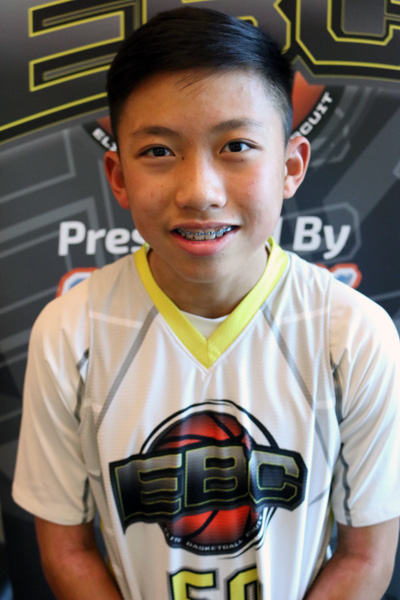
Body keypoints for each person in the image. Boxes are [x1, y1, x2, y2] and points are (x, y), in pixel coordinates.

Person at [12, 7, 400, 600]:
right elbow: (66, 550)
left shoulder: (353, 334)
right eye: (159, 152)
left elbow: (365, 555)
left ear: (291, 166)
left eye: (236, 146)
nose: (200, 192)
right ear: (118, 175)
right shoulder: (70, 331)